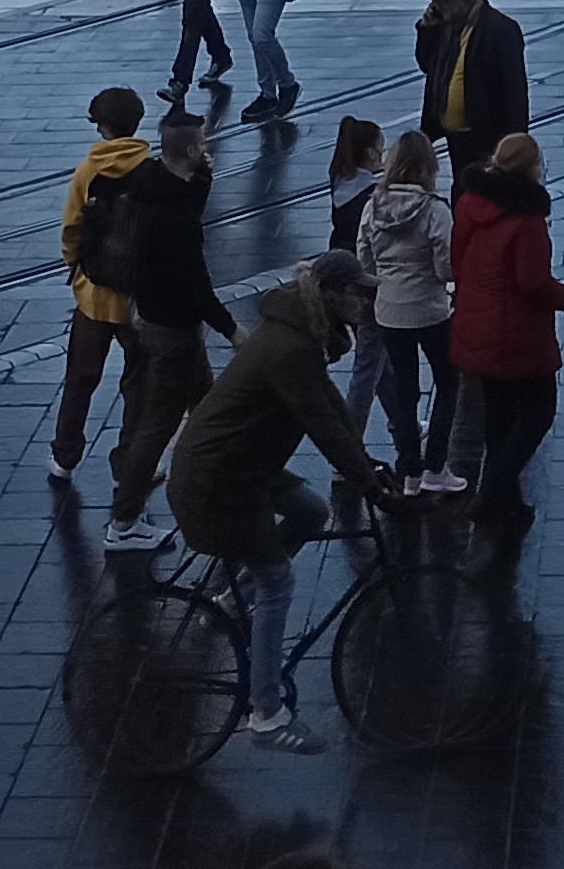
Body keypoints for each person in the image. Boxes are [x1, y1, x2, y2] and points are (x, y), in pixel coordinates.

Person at [165, 249, 393, 753]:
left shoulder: (301, 333)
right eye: (358, 292)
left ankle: (231, 601)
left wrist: (367, 465)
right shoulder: (290, 349)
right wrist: (369, 486)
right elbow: (321, 425)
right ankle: (266, 713)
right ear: (331, 296)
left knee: (312, 511)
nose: (366, 301)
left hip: (240, 467)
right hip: (216, 482)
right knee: (278, 581)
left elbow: (331, 408)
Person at [101, 109, 234, 551]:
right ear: (193, 149)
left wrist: (202, 181)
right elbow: (195, 281)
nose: (208, 148)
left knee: (209, 405)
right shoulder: (172, 211)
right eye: (204, 143)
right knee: (158, 425)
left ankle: (226, 482)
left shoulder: (149, 181)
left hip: (149, 314)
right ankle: (124, 522)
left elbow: (185, 215)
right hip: (173, 329)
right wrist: (232, 330)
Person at [449, 130, 564, 534]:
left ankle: (508, 501)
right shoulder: (527, 220)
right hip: (517, 334)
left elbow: (457, 262)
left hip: (477, 325)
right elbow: (533, 284)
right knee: (539, 413)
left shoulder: (469, 202)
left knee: (500, 416)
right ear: (533, 168)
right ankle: (491, 494)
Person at [48, 87, 157, 486]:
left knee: (81, 377)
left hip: (94, 295)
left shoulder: (87, 172)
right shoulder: (153, 172)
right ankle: (128, 464)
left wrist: (74, 263)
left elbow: (71, 228)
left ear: (103, 127)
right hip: (138, 299)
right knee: (138, 383)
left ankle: (65, 455)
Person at [360, 129, 463, 488]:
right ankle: (436, 466)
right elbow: (446, 267)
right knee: (448, 383)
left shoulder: (373, 206)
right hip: (430, 309)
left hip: (389, 310)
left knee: (405, 390)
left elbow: (364, 260)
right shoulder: (435, 210)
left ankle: (409, 472)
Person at [412, 0, 530, 177]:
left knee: (485, 189)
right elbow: (427, 65)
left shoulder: (500, 29)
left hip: (487, 135)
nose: (437, 6)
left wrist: (515, 143)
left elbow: (514, 91)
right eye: (435, 0)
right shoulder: (444, 27)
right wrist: (426, 31)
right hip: (455, 136)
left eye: (443, 0)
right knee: (463, 187)